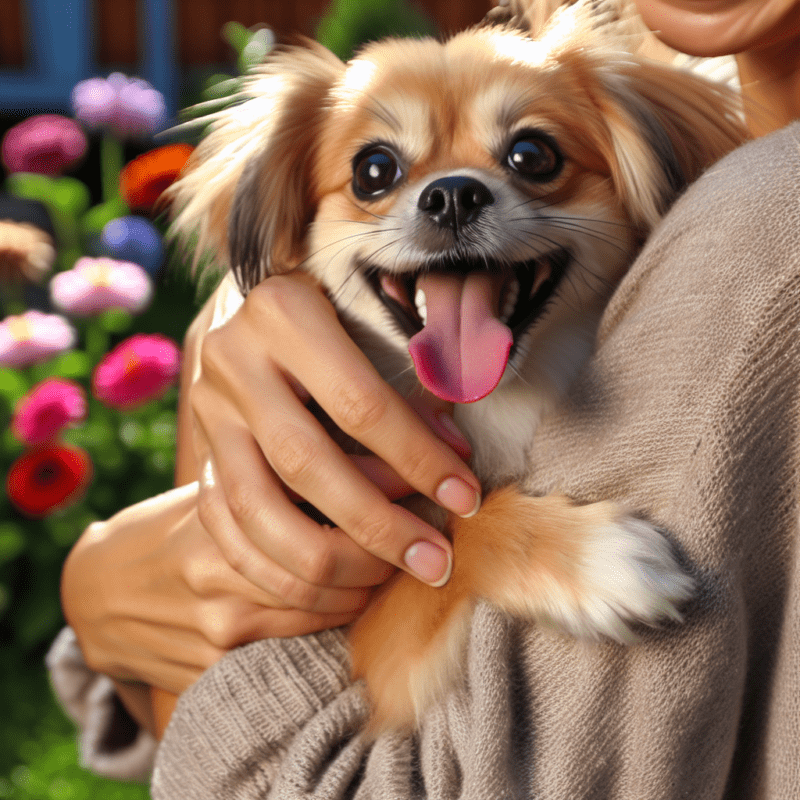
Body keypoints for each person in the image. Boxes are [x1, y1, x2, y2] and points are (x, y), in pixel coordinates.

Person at [49, 0, 800, 794]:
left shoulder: (758, 228)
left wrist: (491, 543)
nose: (452, 194)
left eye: (530, 157)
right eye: (377, 173)